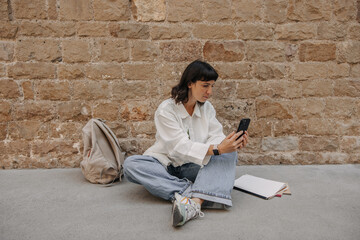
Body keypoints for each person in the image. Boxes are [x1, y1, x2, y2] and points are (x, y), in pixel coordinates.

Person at [123, 60, 249, 227]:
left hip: (193, 166)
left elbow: (215, 136)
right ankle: (198, 193)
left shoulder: (207, 108)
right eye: (205, 85)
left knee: (228, 154)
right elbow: (178, 147)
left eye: (212, 86)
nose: (209, 92)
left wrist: (230, 144)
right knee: (131, 165)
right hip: (164, 164)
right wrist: (218, 149)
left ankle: (193, 202)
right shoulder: (166, 110)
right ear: (190, 83)